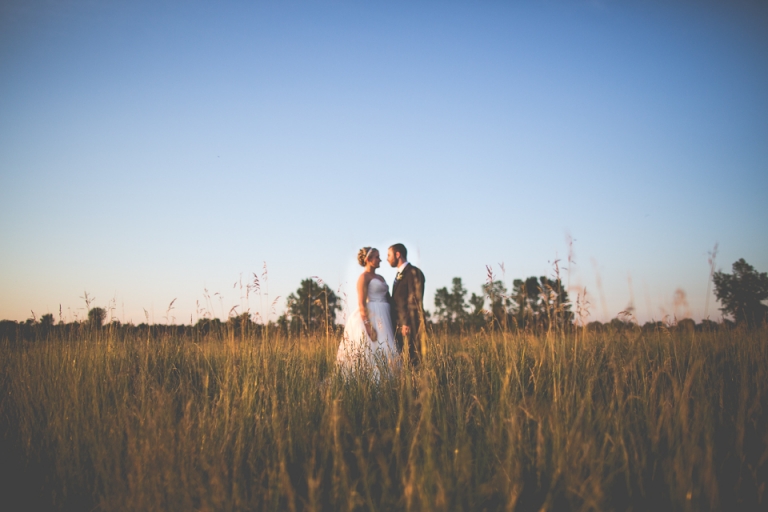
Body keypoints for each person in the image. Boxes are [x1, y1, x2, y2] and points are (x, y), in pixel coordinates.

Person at [336, 247, 398, 379]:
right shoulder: (363, 278)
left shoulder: (380, 277)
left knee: (388, 347)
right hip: (373, 315)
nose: (380, 259)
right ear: (368, 260)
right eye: (377, 257)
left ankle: (390, 379)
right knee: (374, 348)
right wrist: (368, 327)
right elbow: (361, 303)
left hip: (385, 315)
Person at [387, 243, 426, 365]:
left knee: (412, 357)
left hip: (409, 325)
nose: (387, 259)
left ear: (398, 254)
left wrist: (406, 323)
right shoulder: (399, 274)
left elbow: (415, 300)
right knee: (403, 358)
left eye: (389, 255)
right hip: (398, 324)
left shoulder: (413, 272)